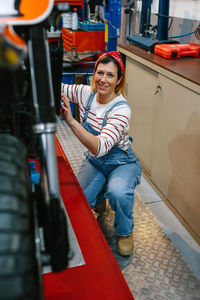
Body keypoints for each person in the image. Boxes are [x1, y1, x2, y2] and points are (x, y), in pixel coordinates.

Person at [60, 51, 142, 256]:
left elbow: (100, 147)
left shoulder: (121, 110)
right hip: (96, 163)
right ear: (94, 73)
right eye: (99, 73)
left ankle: (125, 231)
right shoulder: (86, 93)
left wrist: (71, 121)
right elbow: (56, 87)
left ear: (118, 80)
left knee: (118, 192)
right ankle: (99, 197)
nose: (103, 80)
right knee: (80, 202)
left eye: (110, 75)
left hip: (121, 163)